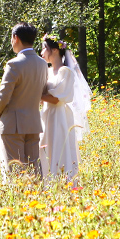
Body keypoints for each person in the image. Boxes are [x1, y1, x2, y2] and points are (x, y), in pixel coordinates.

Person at [0, 23, 47, 180]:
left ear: (16, 38)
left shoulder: (14, 64)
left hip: (12, 124)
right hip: (33, 123)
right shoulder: (43, 64)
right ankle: (37, 200)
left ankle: (18, 201)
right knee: (33, 169)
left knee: (14, 171)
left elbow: (4, 95)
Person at [38, 36, 91, 181]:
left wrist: (35, 95)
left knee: (59, 146)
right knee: (44, 147)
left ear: (54, 50)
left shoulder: (65, 72)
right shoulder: (47, 71)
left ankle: (64, 181)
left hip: (59, 116)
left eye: (44, 48)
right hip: (47, 114)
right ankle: (48, 181)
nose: (41, 52)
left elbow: (57, 99)